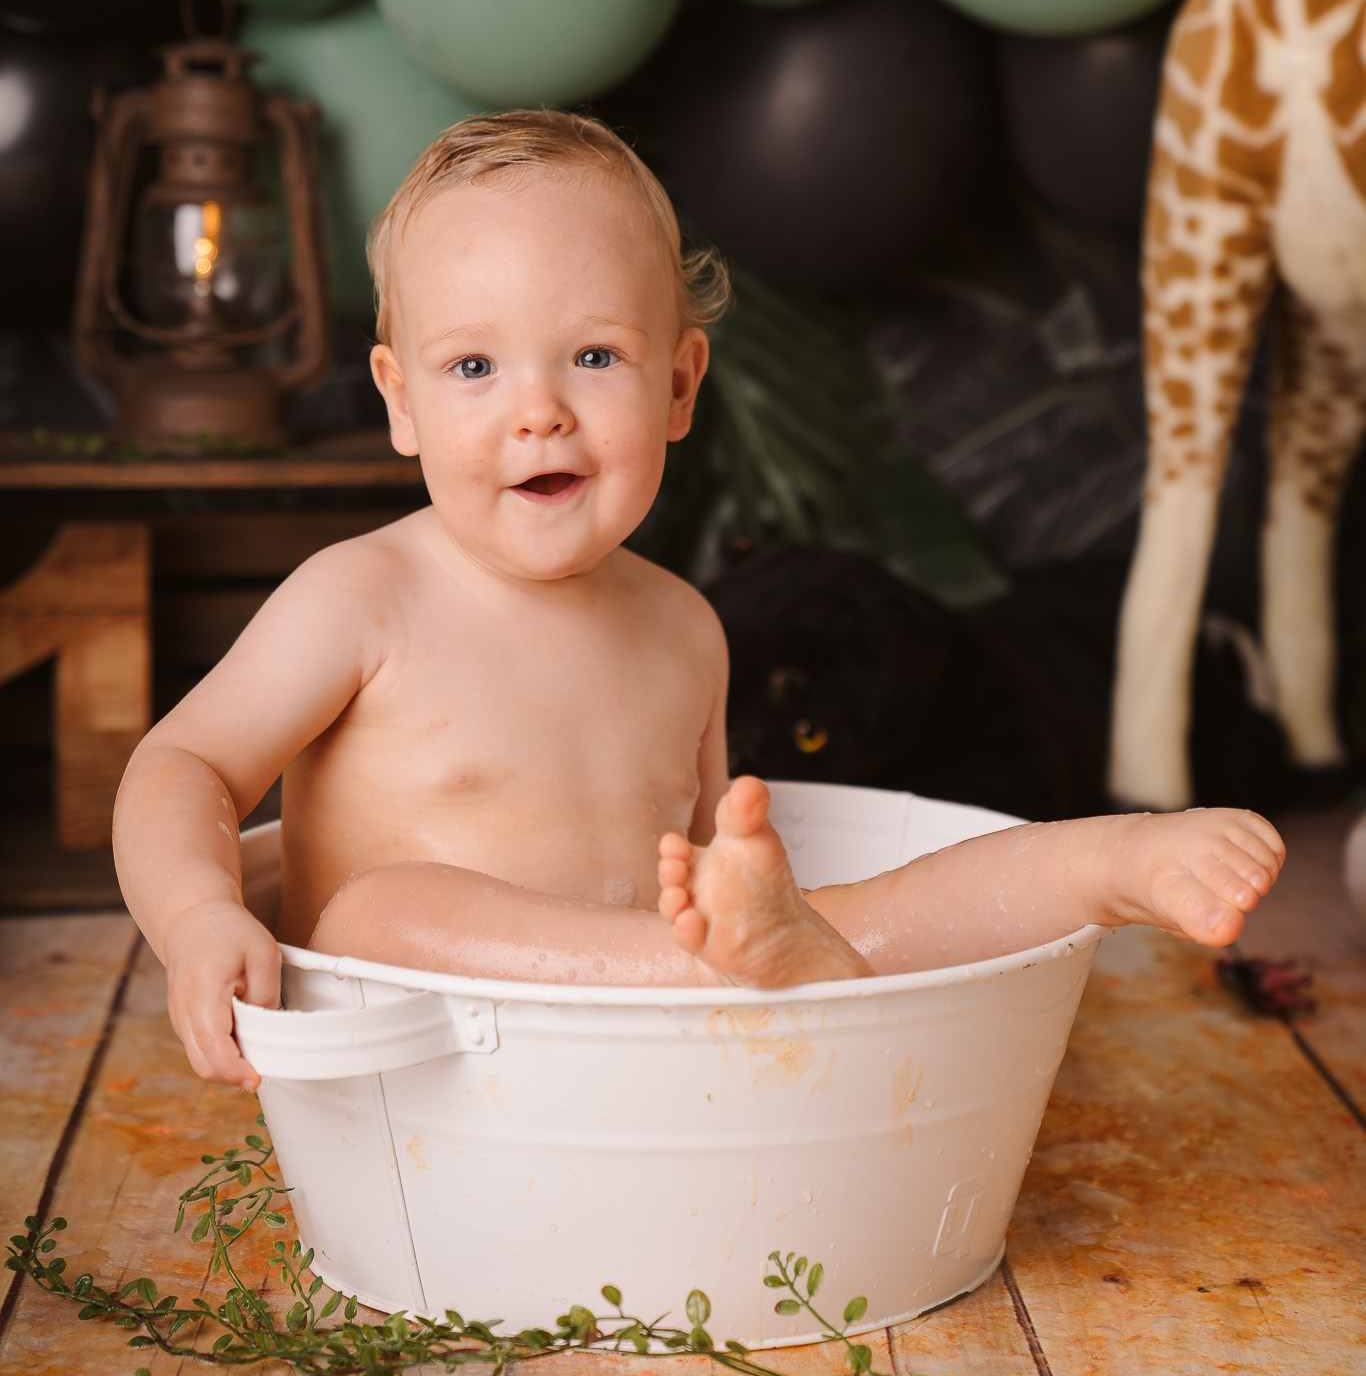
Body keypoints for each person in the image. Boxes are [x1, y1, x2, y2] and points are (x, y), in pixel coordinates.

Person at [113, 110, 1285, 1090]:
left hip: (654, 1058)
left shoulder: (686, 624)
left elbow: (723, 863)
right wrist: (198, 914)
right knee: (380, 913)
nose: (539, 412)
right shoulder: (362, 598)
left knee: (864, 906)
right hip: (424, 1075)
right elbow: (185, 768)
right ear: (399, 399)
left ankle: (1098, 859)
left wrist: (754, 909)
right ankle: (750, 971)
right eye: (474, 366)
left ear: (678, 385)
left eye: (593, 357)